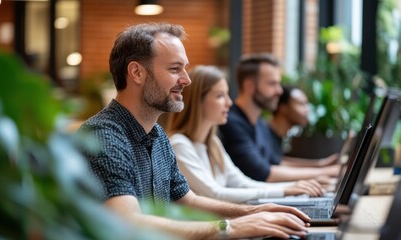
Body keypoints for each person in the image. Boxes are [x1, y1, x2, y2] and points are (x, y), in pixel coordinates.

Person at [77, 23, 311, 239]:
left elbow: (187, 201)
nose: (186, 80)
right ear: (137, 73)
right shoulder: (104, 136)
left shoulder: (157, 136)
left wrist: (253, 211)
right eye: (174, 69)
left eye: (185, 69)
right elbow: (126, 222)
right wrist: (231, 227)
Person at [167, 65, 324, 204]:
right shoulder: (179, 144)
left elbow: (242, 183)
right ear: (198, 101)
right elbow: (215, 194)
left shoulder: (213, 143)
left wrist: (292, 187)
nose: (229, 103)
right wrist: (285, 190)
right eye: (220, 96)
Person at [219, 53, 340, 183]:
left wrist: (321, 165)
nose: (279, 91)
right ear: (249, 86)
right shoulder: (232, 122)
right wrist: (328, 172)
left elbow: (277, 163)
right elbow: (264, 173)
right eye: (272, 84)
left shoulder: (258, 122)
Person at [266, 85, 339, 168]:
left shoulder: (277, 135)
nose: (307, 109)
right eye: (301, 104)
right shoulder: (263, 134)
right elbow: (273, 166)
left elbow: (279, 161)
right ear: (283, 108)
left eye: (306, 104)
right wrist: (324, 169)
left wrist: (322, 164)